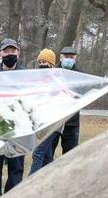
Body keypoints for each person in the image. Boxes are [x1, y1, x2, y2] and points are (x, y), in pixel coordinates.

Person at [31, 44, 84, 175]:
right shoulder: (40, 79)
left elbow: (71, 96)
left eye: (45, 62)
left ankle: (32, 180)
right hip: (43, 123)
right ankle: (50, 178)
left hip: (57, 123)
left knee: (38, 153)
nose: (42, 64)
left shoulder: (57, 79)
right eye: (40, 62)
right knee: (48, 156)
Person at [0, 38, 26, 198]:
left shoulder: (26, 75)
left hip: (17, 128)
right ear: (0, 53)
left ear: (18, 52)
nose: (10, 54)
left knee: (16, 166)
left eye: (12, 51)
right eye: (6, 51)